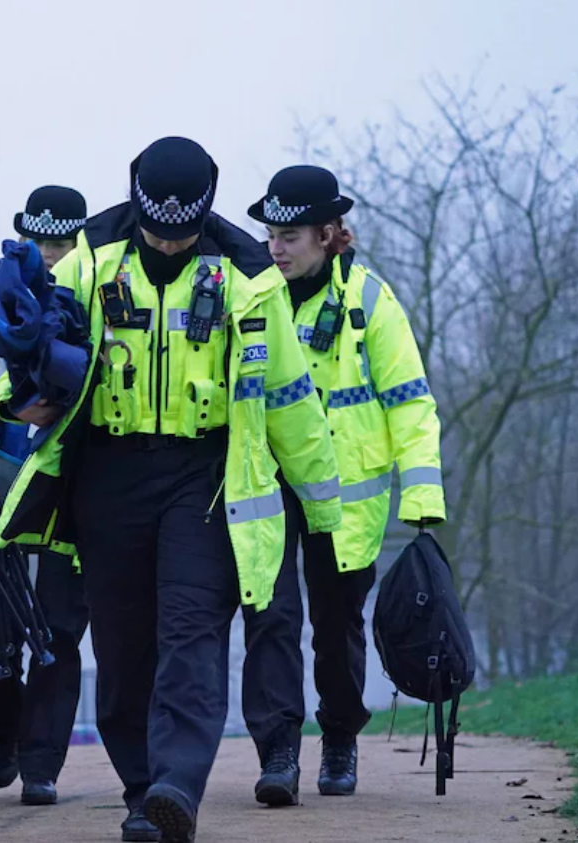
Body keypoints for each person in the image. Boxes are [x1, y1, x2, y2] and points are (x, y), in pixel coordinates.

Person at [0, 138, 342, 843]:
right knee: (122, 645)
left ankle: (177, 784)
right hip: (106, 473)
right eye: (155, 231)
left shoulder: (246, 273)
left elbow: (290, 398)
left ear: (204, 210)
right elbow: (34, 342)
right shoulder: (91, 256)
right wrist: (11, 398)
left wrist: (323, 507)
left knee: (190, 631)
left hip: (202, 476)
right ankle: (142, 787)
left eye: (181, 233)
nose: (167, 244)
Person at [239, 165, 446, 805]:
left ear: (329, 234)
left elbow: (411, 403)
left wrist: (421, 499)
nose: (276, 246)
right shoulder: (252, 299)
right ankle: (278, 751)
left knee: (335, 626)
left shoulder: (370, 303)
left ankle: (338, 741)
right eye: (271, 233)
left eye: (292, 234)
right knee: (269, 619)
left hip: (345, 498)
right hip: (270, 487)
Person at [0, 187, 91, 807]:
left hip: (64, 494)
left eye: (64, 243)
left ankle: (42, 763)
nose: (52, 256)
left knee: (57, 628)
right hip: (1, 488)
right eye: (43, 242)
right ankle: (4, 730)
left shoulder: (93, 299)